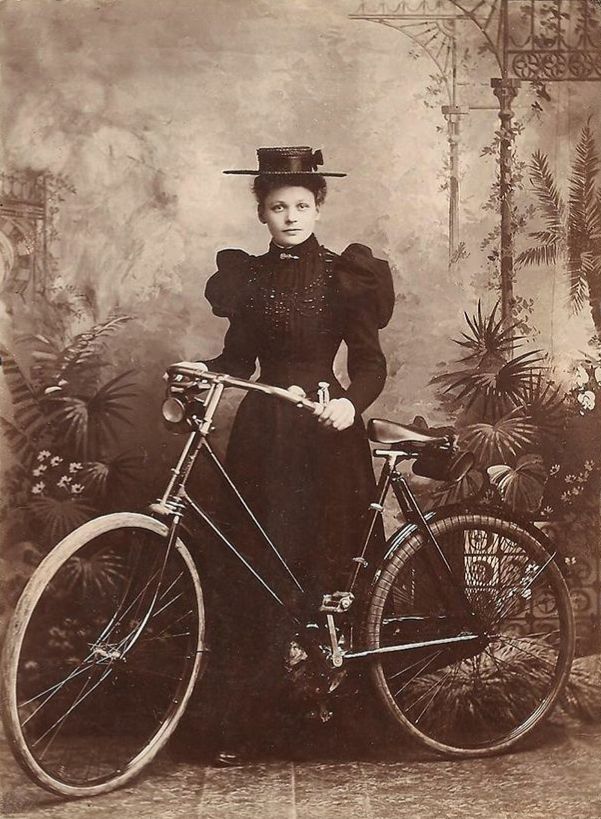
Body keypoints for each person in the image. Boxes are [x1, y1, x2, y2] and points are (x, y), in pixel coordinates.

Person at [199, 146, 394, 764]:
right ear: (261, 212)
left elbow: (370, 364)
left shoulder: (344, 275)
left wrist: (351, 406)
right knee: (257, 566)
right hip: (265, 435)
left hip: (327, 436)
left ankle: (344, 716)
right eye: (278, 206)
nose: (290, 216)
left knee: (332, 561)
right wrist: (201, 371)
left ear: (318, 209)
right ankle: (253, 722)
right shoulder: (248, 279)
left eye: (301, 206)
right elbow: (237, 361)